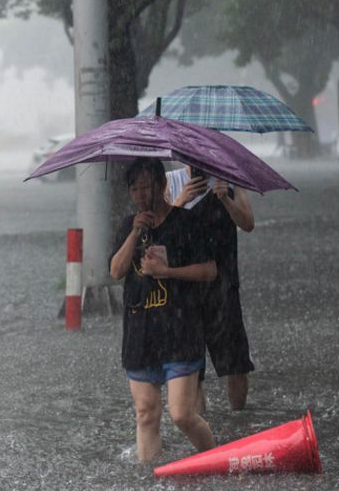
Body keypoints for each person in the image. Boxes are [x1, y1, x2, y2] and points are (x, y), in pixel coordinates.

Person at [109, 158, 217, 463]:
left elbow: (209, 270)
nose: (142, 195)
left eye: (148, 187)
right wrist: (133, 234)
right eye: (135, 189)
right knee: (146, 413)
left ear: (163, 184)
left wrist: (168, 272)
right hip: (141, 335)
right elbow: (116, 271)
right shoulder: (128, 227)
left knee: (182, 414)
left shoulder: (187, 222)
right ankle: (149, 478)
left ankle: (220, 464)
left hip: (181, 331)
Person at [167, 165, 255, 412]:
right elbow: (160, 234)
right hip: (184, 291)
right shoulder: (170, 181)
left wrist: (225, 198)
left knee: (236, 364)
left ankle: (238, 422)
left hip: (224, 287)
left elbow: (248, 223)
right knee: (192, 370)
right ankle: (204, 431)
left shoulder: (230, 178)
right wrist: (180, 201)